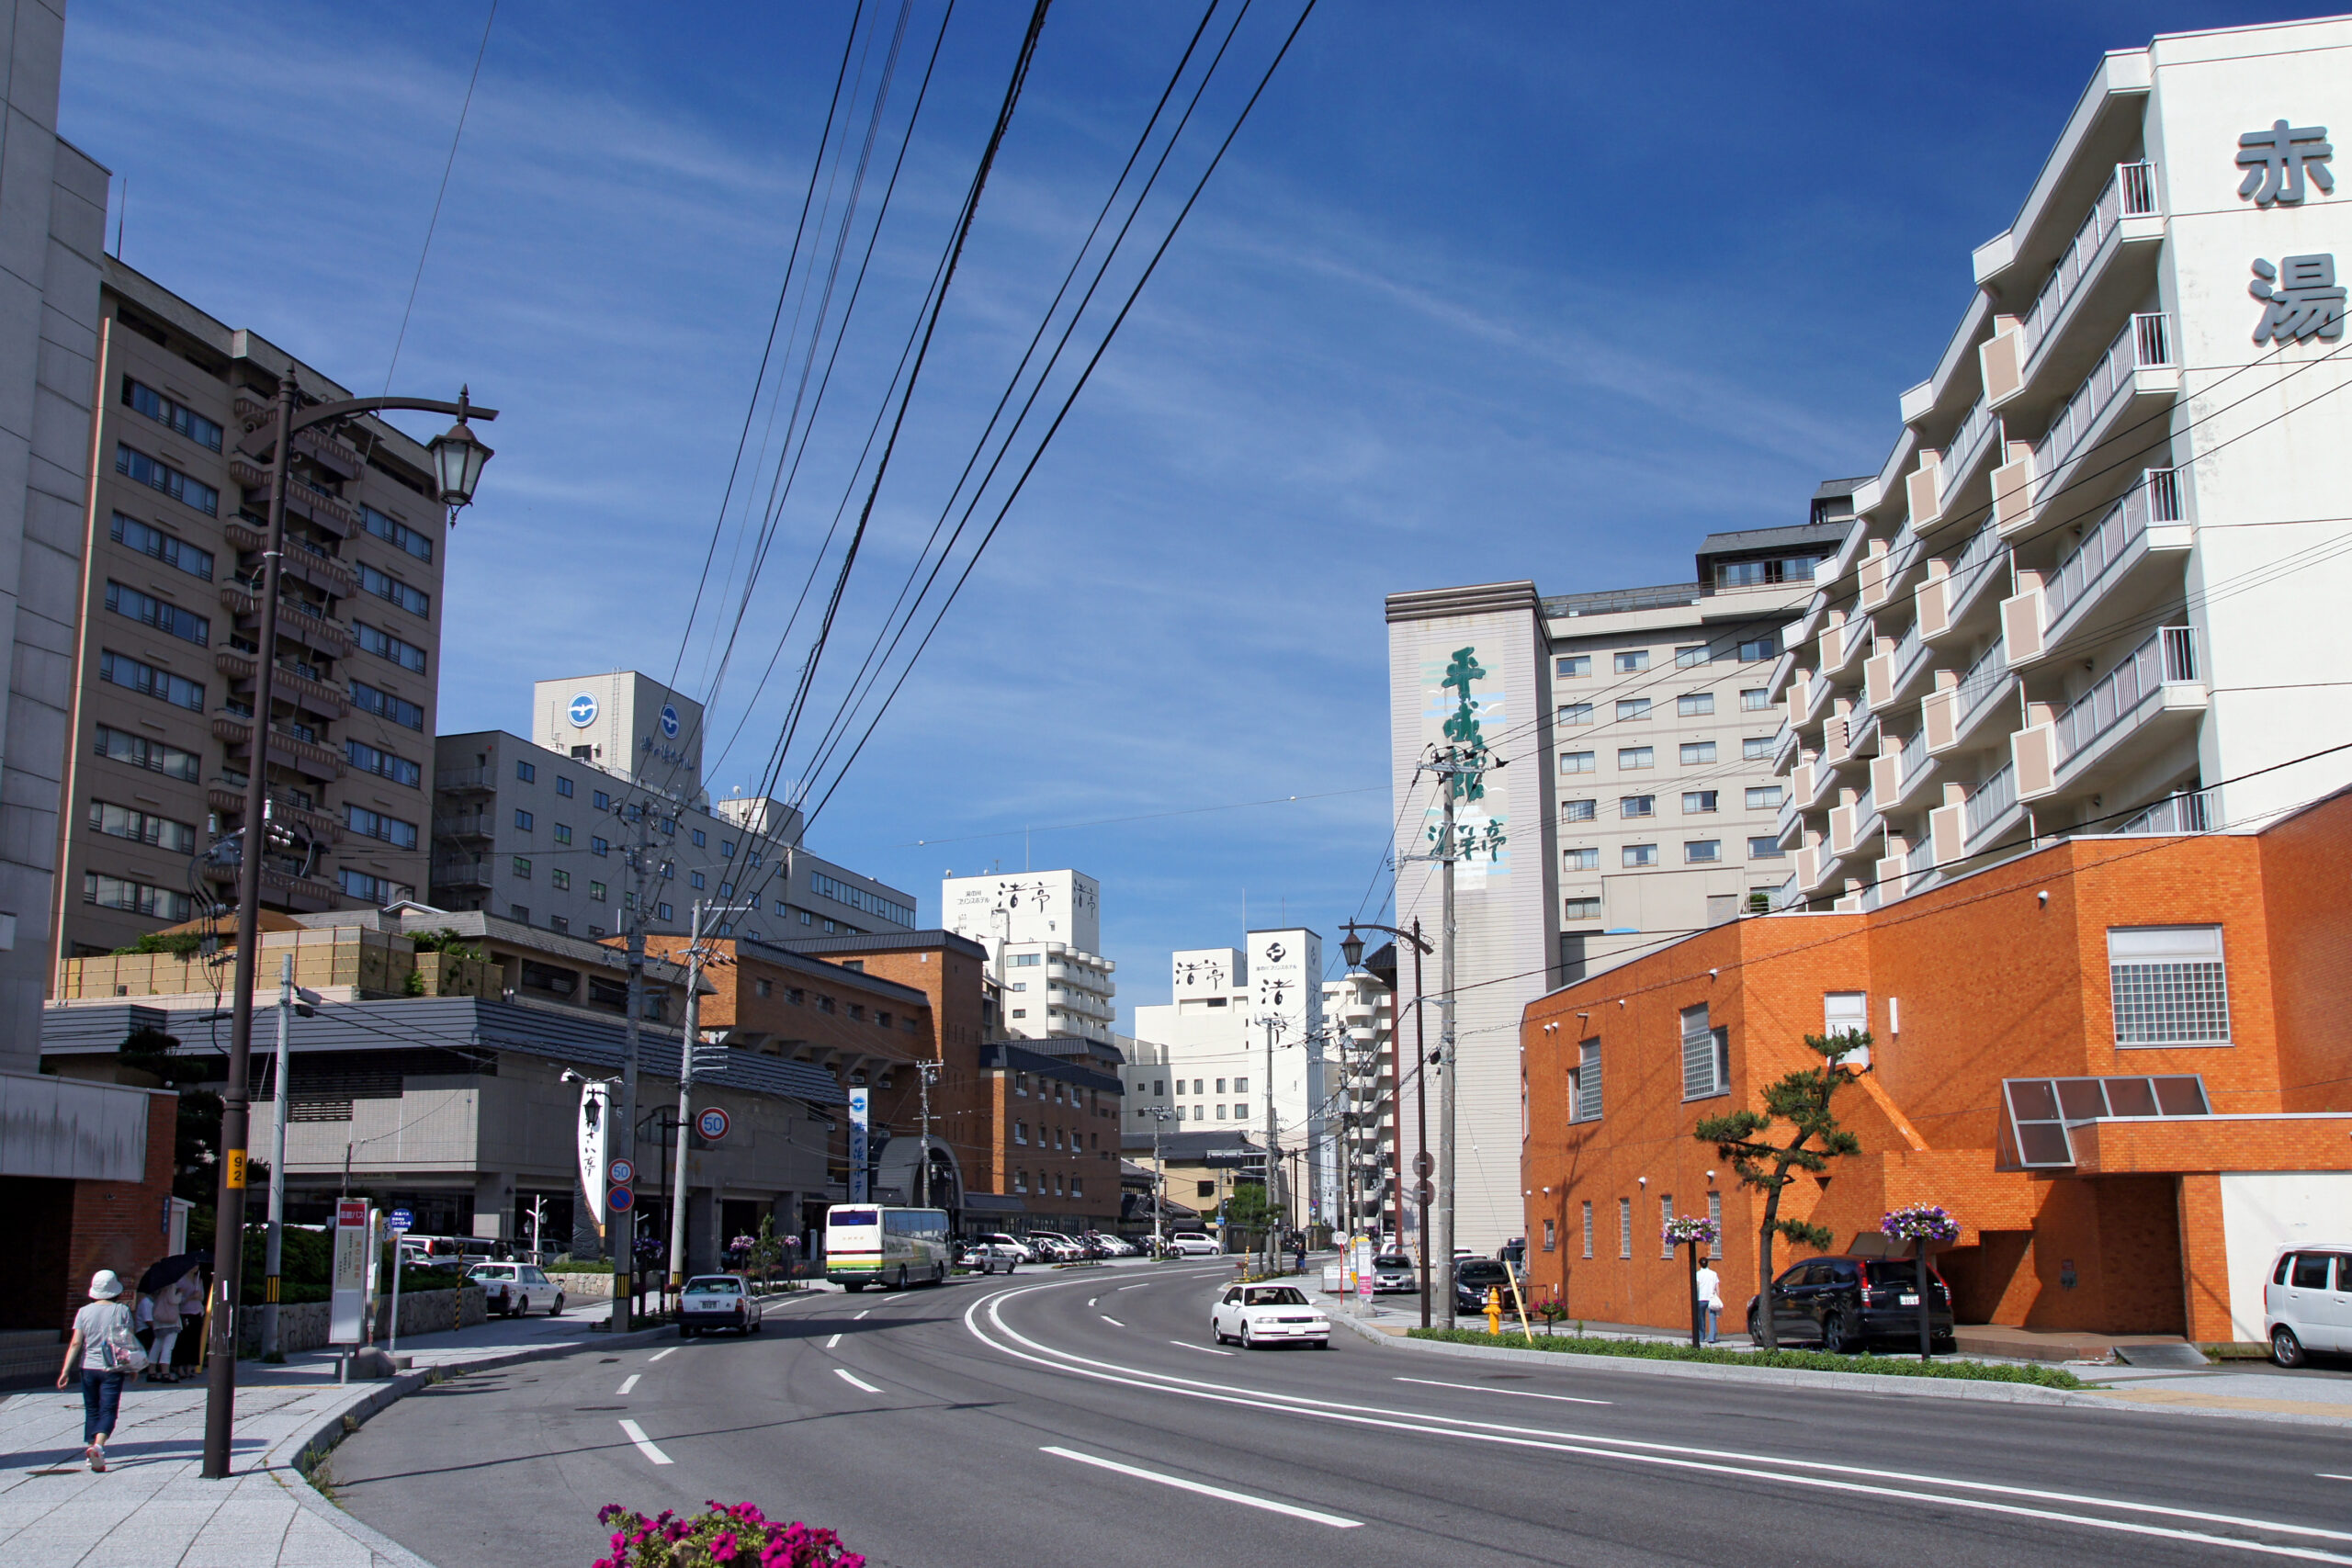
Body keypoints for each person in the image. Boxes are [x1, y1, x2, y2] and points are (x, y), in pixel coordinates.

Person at [57, 1270, 140, 1472]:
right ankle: (99, 1447)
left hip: (88, 1366)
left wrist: (65, 1371)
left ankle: (90, 1450)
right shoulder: (122, 1310)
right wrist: (133, 1367)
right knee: (109, 1409)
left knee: (92, 1409)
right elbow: (127, 1340)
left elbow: (76, 1342)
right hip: (112, 1367)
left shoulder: (83, 1312)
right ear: (115, 1290)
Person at [145, 1263, 184, 1382]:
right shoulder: (171, 1284)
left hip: (159, 1319)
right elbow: (173, 1300)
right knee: (168, 1347)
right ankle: (165, 1373)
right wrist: (180, 1293)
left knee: (157, 1345)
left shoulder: (157, 1286)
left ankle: (151, 1371)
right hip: (171, 1321)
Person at [1696, 1256, 1724, 1344]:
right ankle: (1712, 1337)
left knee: (1701, 1318)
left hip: (1701, 1298)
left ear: (1700, 1264)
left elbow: (1697, 1286)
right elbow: (1717, 1287)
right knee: (1712, 1318)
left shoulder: (1698, 1274)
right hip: (1711, 1297)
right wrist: (1718, 1297)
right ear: (1707, 1263)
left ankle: (1702, 1336)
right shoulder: (1713, 1274)